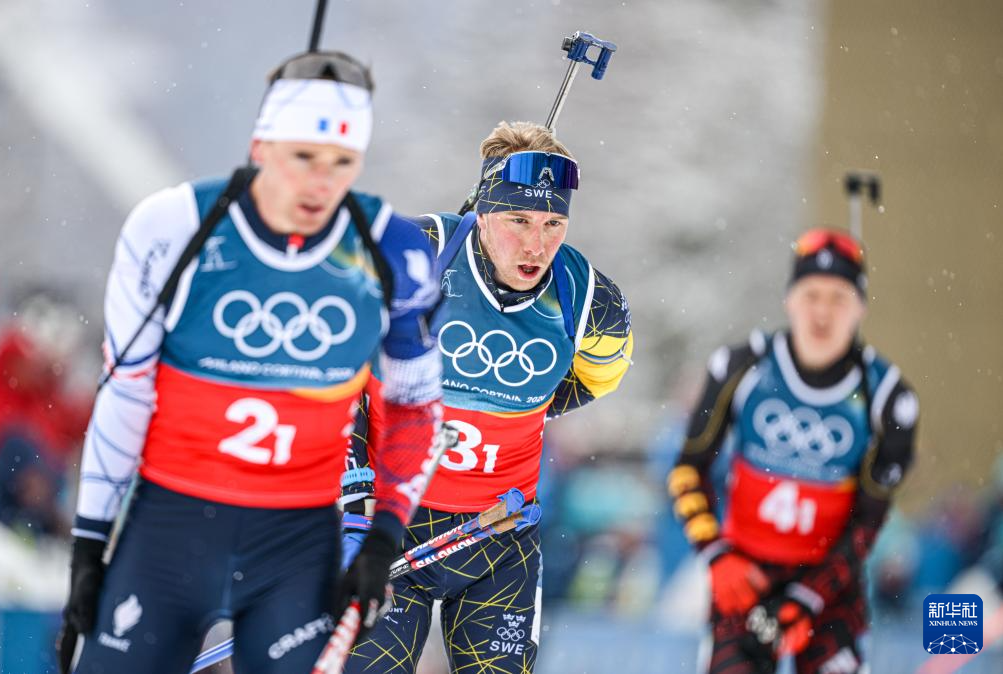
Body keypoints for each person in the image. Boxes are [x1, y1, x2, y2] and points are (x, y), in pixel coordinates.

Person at [57, 50, 443, 674]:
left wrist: (382, 538)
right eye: (303, 157)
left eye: (342, 162)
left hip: (295, 544)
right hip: (170, 530)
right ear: (261, 145)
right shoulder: (175, 227)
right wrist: (88, 547)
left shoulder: (391, 247)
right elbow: (126, 391)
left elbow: (414, 407)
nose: (321, 183)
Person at [339, 121, 634, 673]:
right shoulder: (419, 251)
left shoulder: (590, 301)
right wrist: (353, 505)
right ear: (482, 212)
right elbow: (337, 374)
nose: (536, 244)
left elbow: (599, 378)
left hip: (498, 534)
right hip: (390, 521)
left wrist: (519, 406)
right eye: (518, 220)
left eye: (553, 224)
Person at [668, 228, 920, 673]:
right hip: (744, 576)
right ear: (789, 300)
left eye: (839, 298)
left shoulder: (886, 395)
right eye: (811, 295)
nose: (822, 313)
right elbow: (688, 471)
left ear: (859, 308)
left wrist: (810, 597)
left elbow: (869, 521)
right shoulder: (741, 368)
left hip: (830, 588)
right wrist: (716, 555)